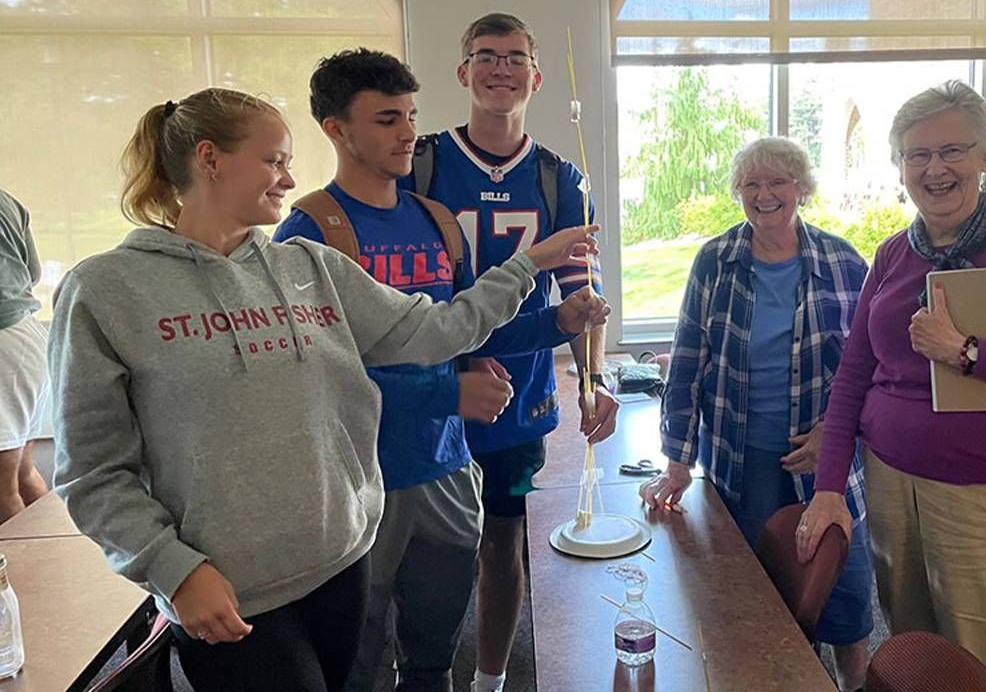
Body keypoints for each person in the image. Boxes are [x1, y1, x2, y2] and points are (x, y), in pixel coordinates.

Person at [49, 88, 598, 692]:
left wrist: (531, 266)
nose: (288, 179)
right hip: (231, 592)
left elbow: (438, 329)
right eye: (274, 161)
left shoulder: (308, 267)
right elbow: (93, 472)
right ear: (210, 159)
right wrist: (172, 570)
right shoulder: (106, 291)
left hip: (342, 566)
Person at [276, 48, 608, 692]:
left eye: (410, 116)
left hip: (447, 471)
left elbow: (468, 327)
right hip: (359, 480)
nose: (407, 133)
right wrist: (445, 392)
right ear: (336, 130)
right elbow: (317, 377)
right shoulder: (309, 233)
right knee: (356, 661)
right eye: (385, 120)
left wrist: (557, 325)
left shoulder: (435, 223)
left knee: (432, 656)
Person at [797, 80, 986, 692]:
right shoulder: (892, 255)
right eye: (918, 154)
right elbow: (854, 377)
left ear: (985, 158)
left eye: (952, 151)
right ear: (901, 167)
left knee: (981, 666)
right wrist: (830, 486)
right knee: (914, 657)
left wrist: (968, 352)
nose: (935, 169)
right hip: (894, 486)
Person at [400, 12, 617, 692]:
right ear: (463, 72)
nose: (501, 68)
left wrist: (594, 375)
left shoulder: (560, 178)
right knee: (424, 552)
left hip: (519, 394)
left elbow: (581, 288)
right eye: (486, 56)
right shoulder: (425, 163)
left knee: (502, 544)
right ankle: (420, 668)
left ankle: (490, 679)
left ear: (536, 76)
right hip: (434, 389)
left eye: (515, 57)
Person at [639, 137, 875, 692]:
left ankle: (854, 684)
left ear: (801, 189)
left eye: (778, 182)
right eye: (752, 184)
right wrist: (678, 462)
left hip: (829, 466)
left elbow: (872, 369)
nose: (764, 194)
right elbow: (689, 361)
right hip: (742, 463)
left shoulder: (843, 262)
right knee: (756, 602)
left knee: (846, 595)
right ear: (738, 193)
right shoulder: (715, 262)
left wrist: (836, 436)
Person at [0, 188, 51, 522]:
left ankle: (22, 576)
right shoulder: (6, 200)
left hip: (3, 342)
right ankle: (57, 569)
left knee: (3, 491)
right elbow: (32, 272)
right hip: (26, 337)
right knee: (23, 474)